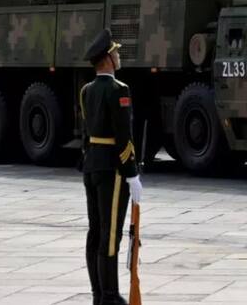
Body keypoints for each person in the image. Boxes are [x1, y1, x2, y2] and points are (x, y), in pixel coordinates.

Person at [80, 28, 143, 305]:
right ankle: (109, 295)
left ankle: (98, 293)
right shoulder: (120, 90)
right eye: (115, 52)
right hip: (112, 171)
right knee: (110, 234)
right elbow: (123, 136)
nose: (118, 55)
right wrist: (132, 174)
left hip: (91, 166)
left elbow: (86, 134)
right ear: (106, 59)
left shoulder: (86, 91)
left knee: (95, 231)